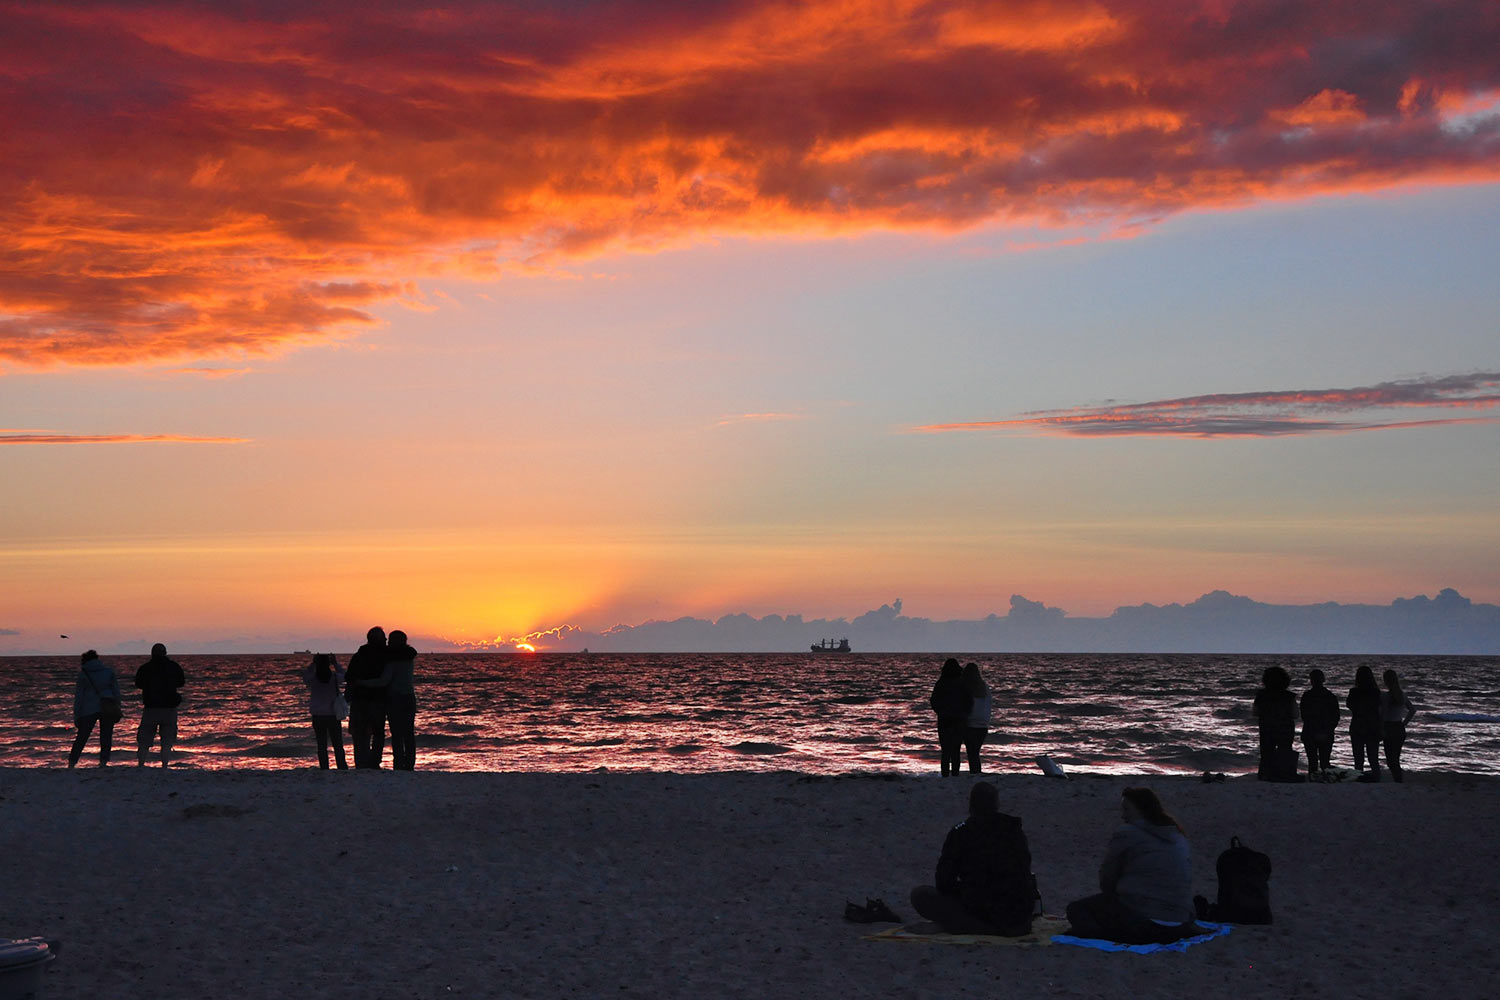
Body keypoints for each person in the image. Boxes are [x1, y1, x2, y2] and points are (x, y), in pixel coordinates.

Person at [1065, 787, 1198, 944]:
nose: (1123, 815)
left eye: (1126, 809)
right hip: (1182, 919)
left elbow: (1108, 877)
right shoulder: (1178, 835)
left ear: (1142, 810)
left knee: (1076, 909)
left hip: (1146, 917)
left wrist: (1113, 897)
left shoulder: (1128, 833)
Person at [909, 781, 1035, 936]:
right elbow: (1025, 867)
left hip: (984, 906)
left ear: (971, 805)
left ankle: (964, 925)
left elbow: (944, 879)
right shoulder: (1013, 829)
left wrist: (964, 892)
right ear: (996, 804)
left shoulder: (961, 833)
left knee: (920, 895)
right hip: (1018, 913)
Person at [345, 627, 392, 769]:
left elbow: (349, 677)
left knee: (361, 733)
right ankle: (373, 762)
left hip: (361, 699)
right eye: (383, 638)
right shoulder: (385, 655)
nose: (386, 640)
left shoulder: (359, 655)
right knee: (377, 732)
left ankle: (362, 762)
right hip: (375, 699)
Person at [135, 643, 185, 767]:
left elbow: (138, 684)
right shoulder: (174, 667)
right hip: (169, 707)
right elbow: (181, 682)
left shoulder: (145, 668)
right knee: (167, 739)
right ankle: (165, 765)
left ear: (152, 653)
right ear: (165, 653)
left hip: (151, 707)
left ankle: (141, 763)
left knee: (144, 738)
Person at [69, 650, 121, 768]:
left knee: (82, 736)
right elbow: (116, 692)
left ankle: (72, 762)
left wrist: (77, 715)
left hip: (88, 708)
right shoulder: (108, 672)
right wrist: (117, 705)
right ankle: (103, 762)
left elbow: (79, 696)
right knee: (106, 736)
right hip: (107, 706)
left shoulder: (83, 674)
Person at [1252, 666, 1298, 781]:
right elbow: (1295, 714)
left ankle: (1264, 774)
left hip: (1267, 726)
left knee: (1266, 752)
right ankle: (1284, 774)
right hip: (1285, 727)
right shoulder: (1289, 696)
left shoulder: (1261, 695)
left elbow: (1255, 712)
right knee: (1285, 751)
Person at [302, 653, 347, 770]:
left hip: (318, 715)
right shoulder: (335, 678)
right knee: (338, 744)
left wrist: (313, 664)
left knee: (321, 745)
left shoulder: (313, 679)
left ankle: (324, 767)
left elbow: (305, 676)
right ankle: (342, 766)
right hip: (332, 714)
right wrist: (336, 663)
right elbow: (346, 675)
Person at [929, 658, 972, 778]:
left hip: (945, 720)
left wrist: (940, 712)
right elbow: (969, 701)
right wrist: (965, 714)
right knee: (956, 750)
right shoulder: (962, 683)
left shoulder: (941, 683)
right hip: (959, 720)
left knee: (945, 750)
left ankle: (945, 775)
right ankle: (955, 774)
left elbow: (933, 701)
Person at [386, 630, 418, 771]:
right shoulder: (409, 656)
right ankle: (409, 764)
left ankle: (398, 763)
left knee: (397, 734)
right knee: (408, 733)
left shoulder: (392, 659)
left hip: (395, 697)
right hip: (409, 696)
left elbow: (386, 679)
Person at [1299, 669, 1340, 776]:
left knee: (1312, 761)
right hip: (1326, 731)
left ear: (1311, 680)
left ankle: (1313, 778)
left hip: (1310, 731)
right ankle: (1324, 779)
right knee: (1324, 762)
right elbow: (1335, 717)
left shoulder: (1307, 696)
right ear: (1323, 679)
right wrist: (1328, 729)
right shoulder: (1330, 696)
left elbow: (1304, 715)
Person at [1379, 669, 1418, 782]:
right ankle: (1398, 778)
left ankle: (1398, 779)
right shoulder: (1402, 695)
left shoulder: (1386, 696)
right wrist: (1404, 724)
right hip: (1399, 727)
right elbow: (1412, 710)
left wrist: (1381, 728)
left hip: (1389, 727)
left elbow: (1383, 714)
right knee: (1395, 757)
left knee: (1391, 759)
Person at [1346, 665, 1383, 778]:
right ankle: (1376, 776)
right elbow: (1379, 710)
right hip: (1372, 725)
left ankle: (1359, 776)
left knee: (1358, 756)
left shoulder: (1354, 692)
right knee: (1373, 756)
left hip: (1357, 724)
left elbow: (1350, 706)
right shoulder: (1376, 692)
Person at [961, 662, 991, 774]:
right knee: (975, 753)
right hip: (983, 724)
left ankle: (974, 772)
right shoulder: (984, 686)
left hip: (970, 724)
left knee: (971, 753)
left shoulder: (966, 687)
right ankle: (976, 772)